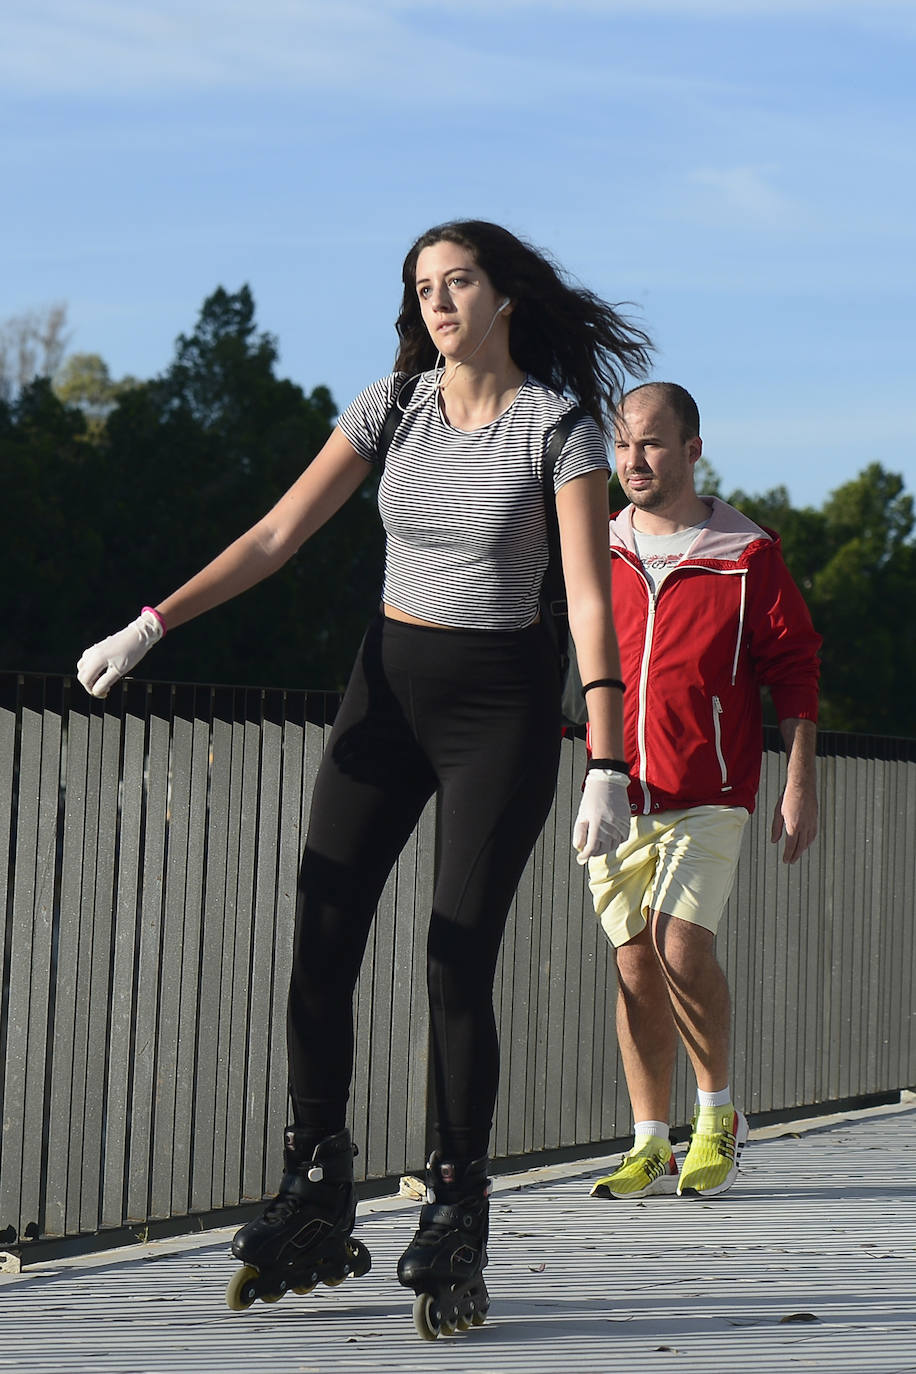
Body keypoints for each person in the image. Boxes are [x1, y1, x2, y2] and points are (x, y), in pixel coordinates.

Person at [76, 219, 652, 1335]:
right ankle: (316, 1182)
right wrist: (152, 624)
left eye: (458, 282)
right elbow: (277, 533)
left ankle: (454, 1207)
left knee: (453, 960)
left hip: (500, 712)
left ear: (505, 297)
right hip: (381, 697)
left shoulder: (560, 428)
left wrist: (607, 753)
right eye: (422, 286)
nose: (437, 302)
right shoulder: (390, 405)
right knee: (321, 937)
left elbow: (587, 598)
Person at [587, 382, 820, 1202]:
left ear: (691, 450)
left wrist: (798, 776)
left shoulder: (746, 553)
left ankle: (716, 1116)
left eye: (651, 444)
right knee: (634, 963)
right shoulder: (595, 543)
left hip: (712, 787)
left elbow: (794, 666)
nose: (633, 461)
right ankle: (650, 1140)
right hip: (614, 791)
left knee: (679, 943)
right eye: (621, 445)